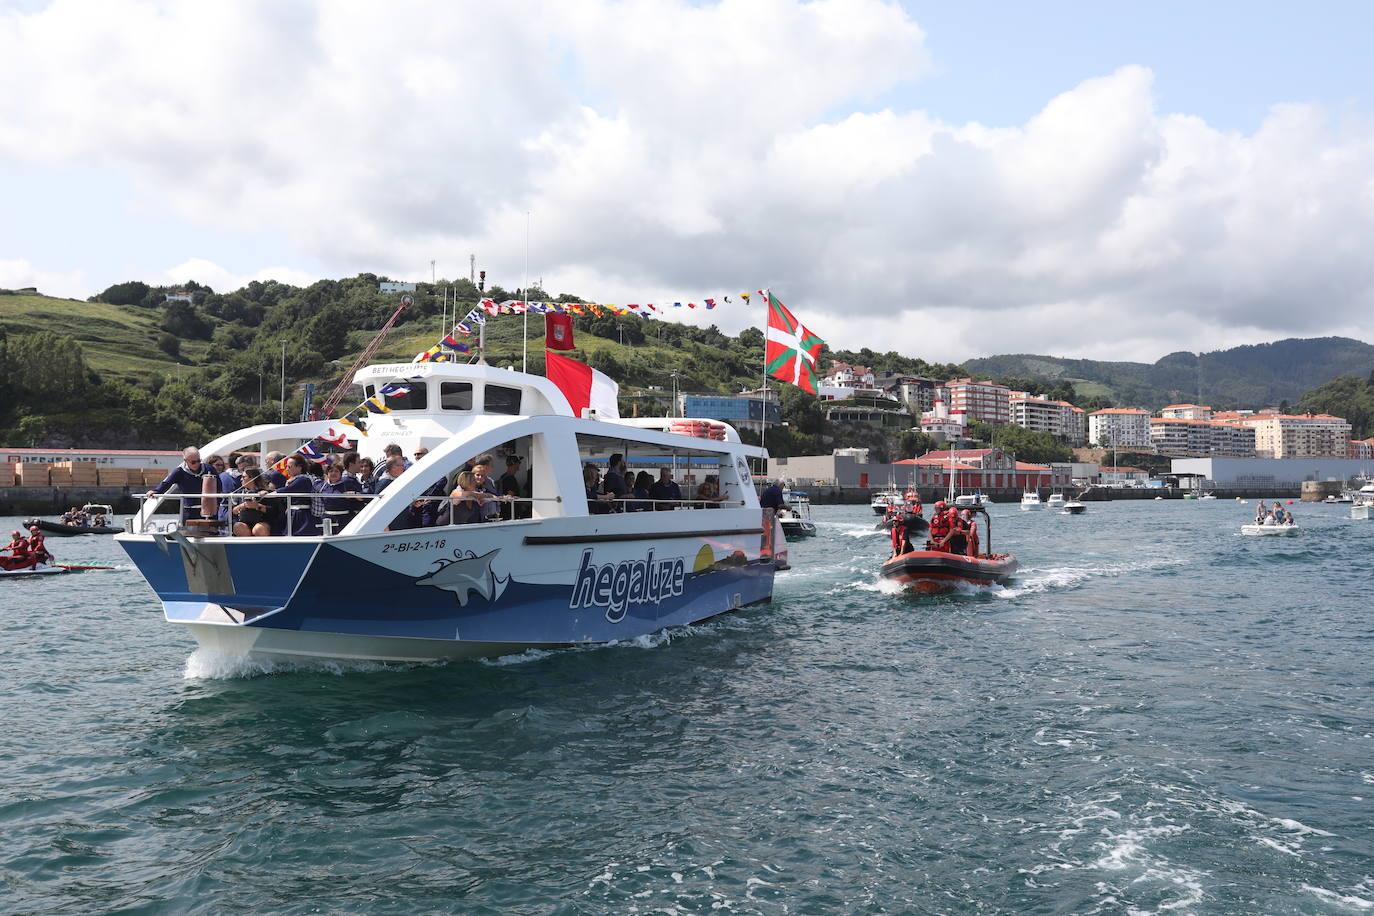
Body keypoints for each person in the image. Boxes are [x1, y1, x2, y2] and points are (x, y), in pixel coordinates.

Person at [146, 447, 211, 523]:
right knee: (188, 532)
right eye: (193, 462)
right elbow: (167, 483)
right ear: (185, 461)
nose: (197, 464)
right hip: (189, 510)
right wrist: (155, 491)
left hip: (208, 510)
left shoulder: (208, 469)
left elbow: (219, 486)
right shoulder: (179, 471)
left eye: (198, 461)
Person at [315, 461, 364, 532]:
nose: (333, 473)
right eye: (331, 471)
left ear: (340, 474)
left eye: (336, 471)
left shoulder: (347, 484)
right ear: (327, 473)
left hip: (344, 519)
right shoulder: (322, 486)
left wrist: (354, 494)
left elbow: (362, 498)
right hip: (327, 519)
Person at [277, 455, 319, 536]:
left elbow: (287, 490)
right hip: (293, 513)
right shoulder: (291, 480)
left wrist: (268, 494)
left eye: (289, 467)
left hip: (301, 515)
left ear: (299, 467)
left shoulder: (304, 480)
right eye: (286, 466)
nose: (286, 469)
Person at [230, 470, 275, 537]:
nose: (241, 479)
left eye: (243, 477)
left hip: (262, 521)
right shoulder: (239, 493)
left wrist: (257, 506)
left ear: (252, 478)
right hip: (244, 521)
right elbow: (233, 511)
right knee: (238, 527)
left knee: (259, 529)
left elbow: (273, 511)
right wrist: (243, 505)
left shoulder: (265, 492)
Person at [472, 455, 503, 521]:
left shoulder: (491, 481)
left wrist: (504, 497)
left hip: (493, 516)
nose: (493, 467)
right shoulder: (471, 481)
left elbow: (496, 496)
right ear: (486, 466)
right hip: (479, 518)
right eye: (491, 465)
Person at [499, 455, 525, 520]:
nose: (519, 465)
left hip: (504, 511)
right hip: (510, 513)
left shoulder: (503, 476)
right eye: (518, 463)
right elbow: (510, 497)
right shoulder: (510, 479)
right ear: (514, 464)